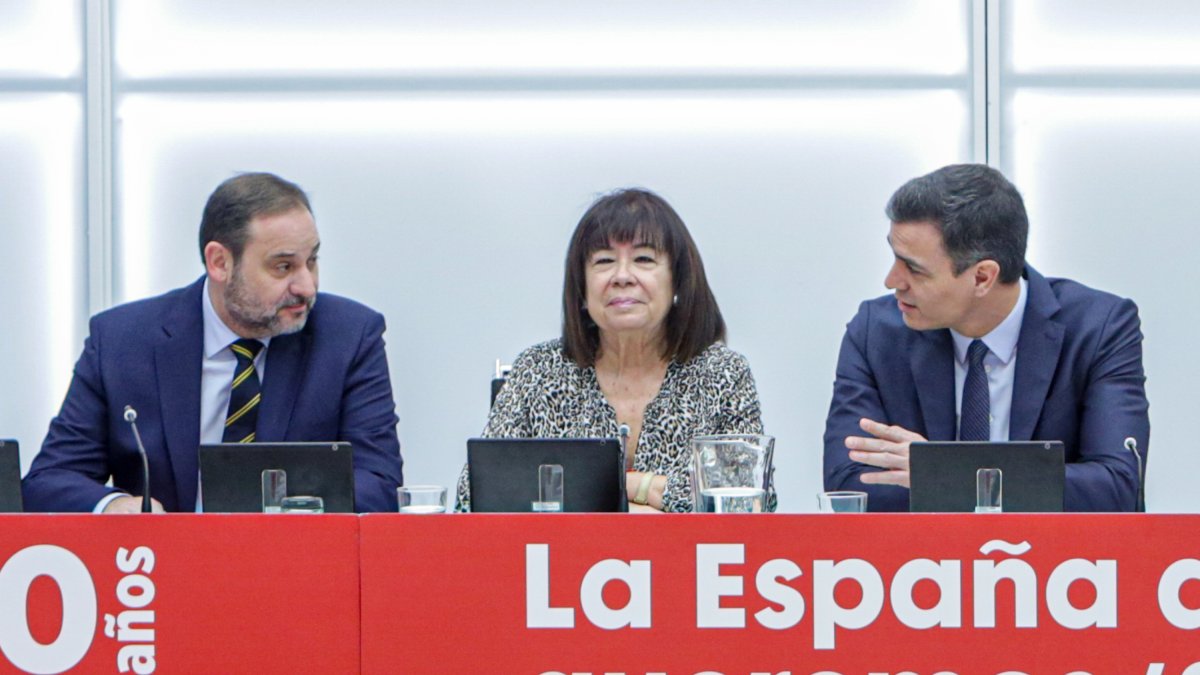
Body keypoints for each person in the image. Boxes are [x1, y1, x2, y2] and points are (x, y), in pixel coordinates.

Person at [23, 172, 403, 513]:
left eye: (312, 261)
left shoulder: (349, 336)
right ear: (220, 263)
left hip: (296, 571)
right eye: (283, 266)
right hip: (160, 574)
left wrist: (286, 512)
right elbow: (49, 482)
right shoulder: (124, 341)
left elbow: (379, 484)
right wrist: (115, 506)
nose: (307, 286)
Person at [824, 163, 1149, 512]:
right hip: (918, 564)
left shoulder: (1099, 329)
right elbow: (848, 485)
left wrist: (946, 472)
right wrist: (1003, 484)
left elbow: (1117, 487)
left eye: (914, 268)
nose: (892, 281)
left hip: (1061, 563)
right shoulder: (876, 332)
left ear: (982, 277)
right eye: (895, 257)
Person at [457, 188, 770, 512]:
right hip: (558, 562)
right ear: (581, 287)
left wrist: (621, 487)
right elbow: (473, 502)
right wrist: (650, 501)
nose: (622, 276)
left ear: (677, 281)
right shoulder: (537, 371)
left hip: (691, 563)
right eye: (604, 261)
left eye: (643, 259)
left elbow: (750, 503)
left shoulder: (721, 373)